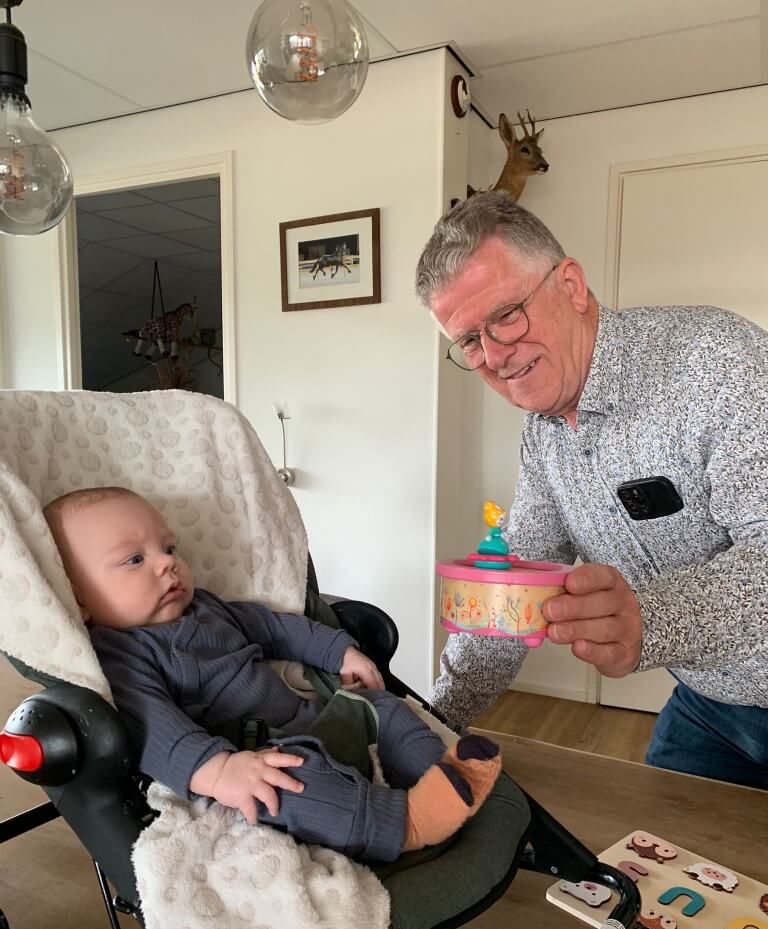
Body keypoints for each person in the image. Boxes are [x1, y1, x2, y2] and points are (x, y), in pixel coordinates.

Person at [415, 190, 768, 789]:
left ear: (572, 286)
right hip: (712, 703)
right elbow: (513, 585)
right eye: (470, 340)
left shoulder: (718, 361)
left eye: (506, 315)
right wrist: (431, 722)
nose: (494, 356)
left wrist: (650, 620)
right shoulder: (544, 433)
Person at [43, 486, 501, 863]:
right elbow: (153, 726)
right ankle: (411, 823)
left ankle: (439, 774)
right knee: (290, 787)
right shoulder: (120, 655)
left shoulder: (206, 607)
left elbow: (275, 628)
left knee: (384, 707)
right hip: (257, 755)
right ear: (79, 599)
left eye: (168, 548)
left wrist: (338, 651)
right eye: (134, 560)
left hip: (313, 719)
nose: (167, 563)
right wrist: (220, 770)